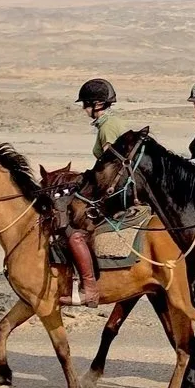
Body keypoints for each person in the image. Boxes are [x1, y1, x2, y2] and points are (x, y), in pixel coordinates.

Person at [65, 77, 125, 306]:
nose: (84, 109)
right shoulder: (108, 123)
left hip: (111, 190)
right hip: (106, 185)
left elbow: (111, 165)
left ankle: (89, 287)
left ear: (97, 104)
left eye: (86, 104)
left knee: (74, 230)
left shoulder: (108, 126)